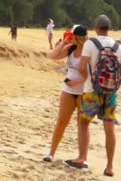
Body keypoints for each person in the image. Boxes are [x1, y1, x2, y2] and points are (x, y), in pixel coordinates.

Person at [66, 15, 121, 177]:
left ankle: (82, 157)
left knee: (83, 122)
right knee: (109, 128)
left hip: (92, 91)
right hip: (111, 93)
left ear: (96, 27)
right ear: (109, 28)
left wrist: (83, 78)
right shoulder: (117, 46)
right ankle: (110, 167)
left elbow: (81, 66)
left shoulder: (90, 43)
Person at [43, 25, 88, 163]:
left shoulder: (89, 51)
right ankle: (51, 153)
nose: (70, 37)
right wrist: (64, 42)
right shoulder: (71, 48)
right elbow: (53, 56)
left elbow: (93, 73)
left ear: (77, 36)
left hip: (84, 92)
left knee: (82, 124)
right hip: (68, 91)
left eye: (72, 35)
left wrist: (77, 81)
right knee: (62, 121)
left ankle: (83, 158)